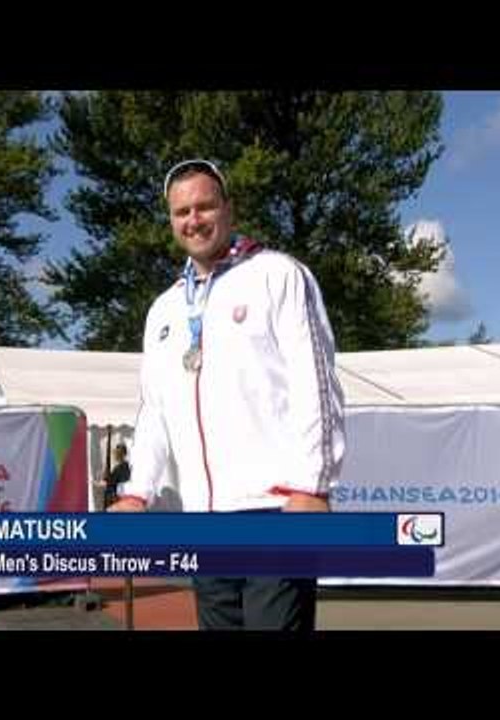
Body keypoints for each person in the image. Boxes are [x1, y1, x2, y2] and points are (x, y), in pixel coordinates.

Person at [110, 159, 345, 631]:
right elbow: (155, 410)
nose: (193, 220)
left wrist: (312, 487)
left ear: (228, 209)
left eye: (204, 206)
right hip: (204, 519)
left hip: (274, 508)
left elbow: (315, 382)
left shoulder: (278, 275)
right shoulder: (165, 309)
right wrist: (137, 492)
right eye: (181, 212)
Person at [99, 443, 131, 509]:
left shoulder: (119, 468)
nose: (115, 455)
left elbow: (110, 483)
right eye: (116, 453)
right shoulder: (125, 466)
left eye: (118, 453)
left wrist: (105, 479)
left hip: (117, 499)